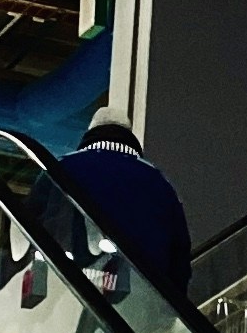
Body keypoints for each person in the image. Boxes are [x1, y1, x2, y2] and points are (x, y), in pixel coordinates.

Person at [60, 112, 192, 302]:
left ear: (91, 132)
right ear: (129, 135)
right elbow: (179, 253)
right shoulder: (158, 182)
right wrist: (175, 306)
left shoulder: (61, 168)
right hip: (145, 296)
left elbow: (33, 227)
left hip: (72, 288)